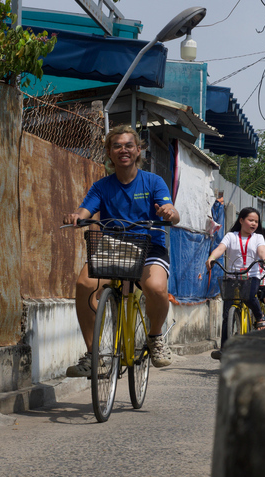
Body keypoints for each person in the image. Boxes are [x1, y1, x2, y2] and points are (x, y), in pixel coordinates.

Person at [62, 125, 180, 377]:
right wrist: (76, 216)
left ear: (138, 150)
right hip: (113, 246)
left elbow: (172, 211)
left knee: (157, 288)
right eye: (117, 146)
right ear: (109, 152)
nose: (123, 150)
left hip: (150, 246)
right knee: (84, 285)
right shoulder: (101, 186)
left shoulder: (153, 182)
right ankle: (94, 355)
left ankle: (155, 337)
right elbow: (85, 210)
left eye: (129, 145)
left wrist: (169, 212)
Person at [206, 207, 265, 359]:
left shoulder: (258, 238)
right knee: (226, 313)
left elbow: (261, 251)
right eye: (250, 220)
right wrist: (212, 258)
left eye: (256, 221)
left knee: (249, 296)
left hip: (251, 275)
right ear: (241, 220)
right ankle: (224, 348)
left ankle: (259, 317)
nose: (254, 223)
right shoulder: (231, 236)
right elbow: (220, 248)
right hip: (232, 276)